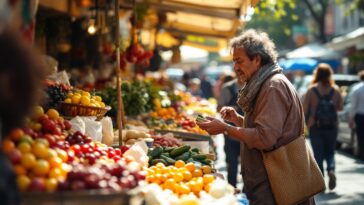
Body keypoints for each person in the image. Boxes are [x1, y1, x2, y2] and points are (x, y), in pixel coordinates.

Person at [196, 29, 315, 204]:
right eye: (234, 61)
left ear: (257, 59)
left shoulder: (272, 87)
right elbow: (270, 130)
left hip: (277, 188)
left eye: (239, 61)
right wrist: (237, 119)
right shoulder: (267, 83)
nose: (235, 67)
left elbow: (265, 138)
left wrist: (226, 128)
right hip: (270, 185)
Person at [302, 63, 343, 191]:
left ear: (317, 74)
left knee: (318, 154)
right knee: (330, 152)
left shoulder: (312, 89)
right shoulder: (335, 89)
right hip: (332, 126)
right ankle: (331, 169)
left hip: (315, 126)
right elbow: (340, 107)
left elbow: (304, 108)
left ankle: (321, 182)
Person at [218, 77, 242, 188]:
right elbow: (219, 107)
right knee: (232, 165)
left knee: (248, 168)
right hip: (230, 134)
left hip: (248, 134)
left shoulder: (253, 87)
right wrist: (228, 109)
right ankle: (232, 190)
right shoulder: (227, 88)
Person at [349, 70, 364, 160]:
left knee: (360, 136)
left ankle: (362, 154)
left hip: (360, 116)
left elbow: (353, 105)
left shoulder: (357, 88)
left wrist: (351, 118)